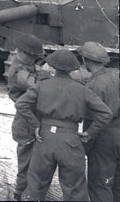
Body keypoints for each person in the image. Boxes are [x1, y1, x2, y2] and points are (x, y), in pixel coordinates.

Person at [15, 49, 112, 201]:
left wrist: (35, 124)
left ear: (53, 66)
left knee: (35, 187)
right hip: (70, 141)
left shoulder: (41, 86)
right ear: (72, 69)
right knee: (74, 190)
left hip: (44, 139)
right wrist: (90, 132)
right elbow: (106, 114)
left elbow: (21, 104)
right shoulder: (82, 90)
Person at [6, 35, 50, 201]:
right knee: (26, 163)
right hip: (27, 120)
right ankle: (20, 195)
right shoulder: (20, 72)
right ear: (24, 53)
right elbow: (36, 86)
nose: (34, 59)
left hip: (29, 118)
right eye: (32, 56)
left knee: (33, 161)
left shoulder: (25, 67)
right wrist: (46, 74)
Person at [78, 41, 120, 202]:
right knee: (116, 185)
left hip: (103, 139)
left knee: (100, 185)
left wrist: (88, 137)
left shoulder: (93, 85)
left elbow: (90, 118)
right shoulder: (115, 77)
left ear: (85, 61)